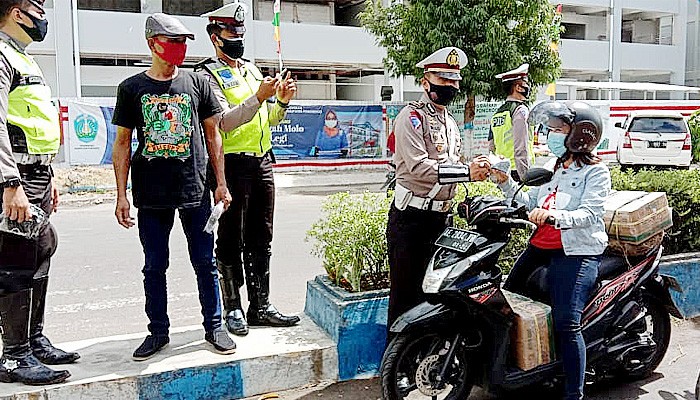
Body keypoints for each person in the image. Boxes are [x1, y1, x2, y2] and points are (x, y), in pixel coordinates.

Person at [111, 13, 273, 361]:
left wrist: (221, 184)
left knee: (205, 262)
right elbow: (122, 143)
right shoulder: (131, 89)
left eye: (184, 42)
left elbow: (214, 134)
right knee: (154, 265)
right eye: (174, 42)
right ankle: (158, 332)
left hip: (195, 190)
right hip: (151, 195)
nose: (180, 49)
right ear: (153, 43)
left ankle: (214, 326)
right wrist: (121, 194)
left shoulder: (197, 83)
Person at [491, 101, 611, 400]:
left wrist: (556, 216)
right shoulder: (550, 167)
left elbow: (591, 213)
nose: (551, 135)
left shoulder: (596, 173)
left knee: (566, 322)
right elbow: (531, 201)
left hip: (577, 251)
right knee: (506, 302)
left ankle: (574, 393)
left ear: (580, 134)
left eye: (558, 130)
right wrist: (505, 184)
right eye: (550, 129)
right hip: (541, 246)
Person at [197, 3, 299, 337]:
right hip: (231, 165)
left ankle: (261, 305)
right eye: (231, 34)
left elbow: (268, 119)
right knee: (229, 237)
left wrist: (280, 101)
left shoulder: (252, 70)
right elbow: (223, 123)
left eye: (240, 34)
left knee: (261, 235)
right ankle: (233, 308)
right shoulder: (206, 75)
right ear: (215, 37)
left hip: (261, 161)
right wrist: (257, 97)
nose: (237, 39)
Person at [0, 0, 78, 385]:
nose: (43, 18)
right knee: (15, 261)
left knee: (43, 247)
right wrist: (9, 183)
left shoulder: (21, 57)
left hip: (37, 173)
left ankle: (32, 340)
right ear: (17, 12)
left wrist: (49, 173)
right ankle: (14, 357)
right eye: (38, 8)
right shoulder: (1, 54)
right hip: (16, 177)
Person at [387, 46, 491, 328]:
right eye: (444, 80)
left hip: (441, 221)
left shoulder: (450, 122)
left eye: (455, 81)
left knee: (434, 298)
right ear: (425, 81)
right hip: (412, 220)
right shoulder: (411, 118)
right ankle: (396, 368)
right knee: (405, 300)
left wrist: (479, 168)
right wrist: (466, 172)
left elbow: (452, 164)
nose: (451, 87)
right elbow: (419, 168)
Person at [488, 63, 535, 182]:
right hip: (518, 172)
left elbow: (491, 145)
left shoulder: (498, 113)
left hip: (501, 170)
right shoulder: (520, 110)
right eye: (525, 84)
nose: (528, 87)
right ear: (518, 88)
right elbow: (521, 146)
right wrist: (526, 177)